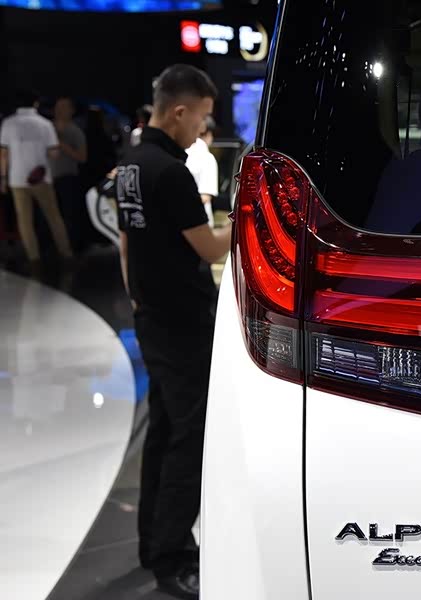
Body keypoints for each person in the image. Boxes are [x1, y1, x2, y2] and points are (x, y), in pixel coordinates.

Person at [116, 64, 230, 599]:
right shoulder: (171, 172)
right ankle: (175, 555)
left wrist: (136, 296)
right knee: (188, 436)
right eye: (202, 117)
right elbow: (208, 247)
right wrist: (245, 223)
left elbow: (126, 243)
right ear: (180, 111)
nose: (203, 128)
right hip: (183, 322)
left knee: (164, 429)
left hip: (152, 316)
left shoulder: (131, 165)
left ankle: (153, 543)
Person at [0, 89, 73, 271]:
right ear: (36, 103)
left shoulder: (8, 124)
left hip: (17, 179)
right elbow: (54, 153)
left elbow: (3, 154)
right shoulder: (45, 124)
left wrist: (3, 178)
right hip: (41, 177)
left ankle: (34, 259)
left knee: (25, 221)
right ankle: (66, 254)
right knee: (54, 217)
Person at [51, 96, 88, 251]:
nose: (59, 110)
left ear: (71, 110)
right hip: (49, 179)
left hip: (68, 178)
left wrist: (62, 145)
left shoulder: (75, 131)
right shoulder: (48, 128)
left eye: (63, 107)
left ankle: (73, 248)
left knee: (69, 215)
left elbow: (82, 157)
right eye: (57, 107)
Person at [185, 115, 219, 224]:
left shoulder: (181, 152)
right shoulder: (207, 158)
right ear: (208, 134)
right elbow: (205, 197)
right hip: (200, 221)